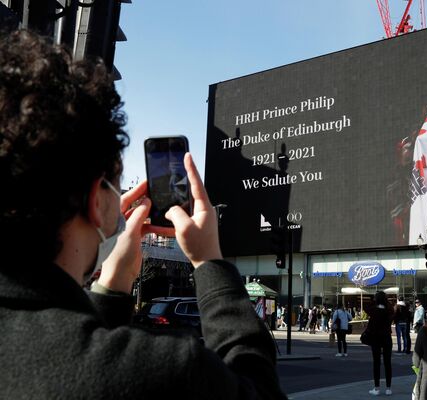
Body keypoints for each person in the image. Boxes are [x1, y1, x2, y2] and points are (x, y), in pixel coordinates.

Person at [0, 30, 286, 399]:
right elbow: (259, 390)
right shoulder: (169, 370)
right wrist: (209, 262)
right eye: (114, 186)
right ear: (96, 200)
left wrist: (114, 285)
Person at [366, 291, 394, 396]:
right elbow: (391, 310)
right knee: (388, 363)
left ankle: (376, 388)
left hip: (376, 338)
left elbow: (367, 307)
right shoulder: (389, 311)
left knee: (376, 363)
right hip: (387, 337)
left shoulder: (374, 310)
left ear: (376, 299)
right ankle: (388, 388)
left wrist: (374, 301)